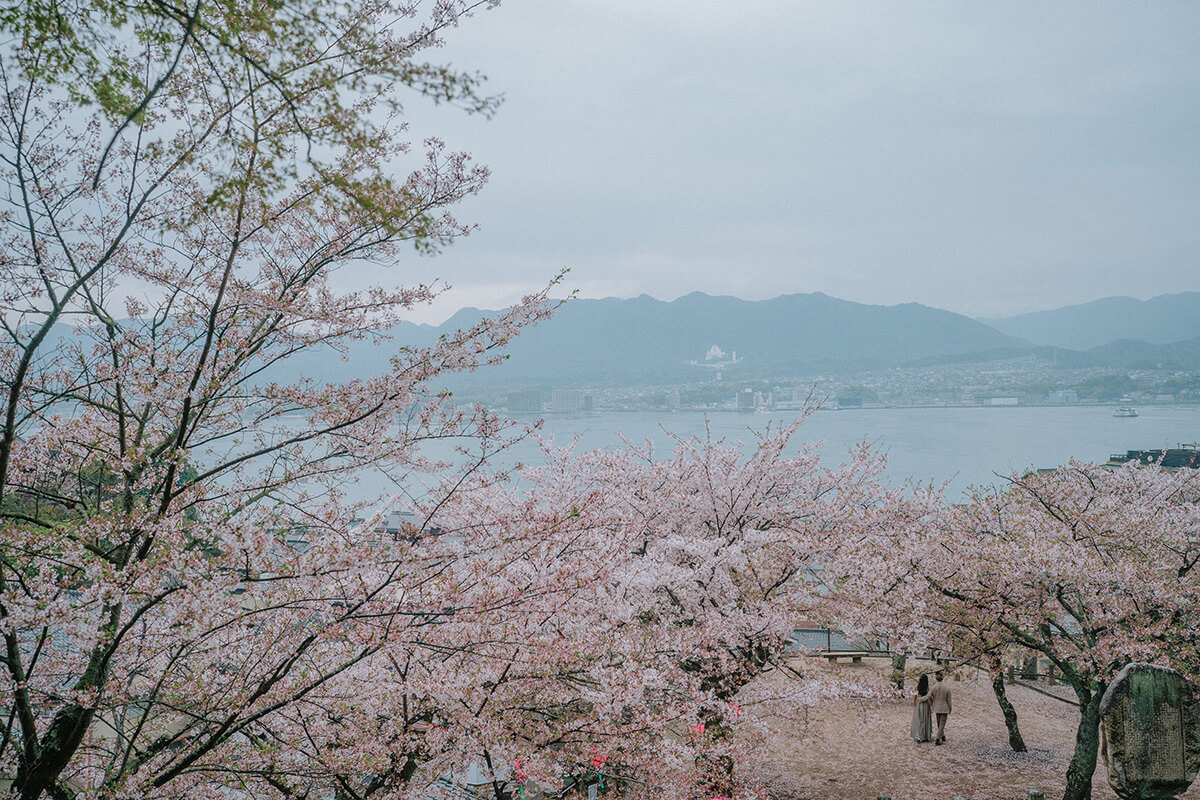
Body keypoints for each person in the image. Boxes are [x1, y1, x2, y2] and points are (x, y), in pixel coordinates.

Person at [929, 670, 952, 745]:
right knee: (942, 724)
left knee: (939, 723)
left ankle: (942, 736)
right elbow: (949, 700)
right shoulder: (947, 688)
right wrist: (950, 708)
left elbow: (929, 697)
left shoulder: (933, 687)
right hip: (944, 707)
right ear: (943, 677)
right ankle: (938, 739)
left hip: (936, 707)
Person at [910, 673, 932, 743]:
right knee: (925, 719)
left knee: (919, 720)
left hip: (919, 704)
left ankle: (919, 735)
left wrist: (914, 705)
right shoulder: (928, 688)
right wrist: (931, 705)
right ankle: (925, 735)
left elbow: (915, 697)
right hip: (926, 704)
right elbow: (930, 698)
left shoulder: (917, 687)